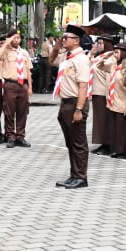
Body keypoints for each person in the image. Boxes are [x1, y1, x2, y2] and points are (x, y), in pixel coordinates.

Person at [54, 24, 93, 189]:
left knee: (78, 142)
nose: (63, 40)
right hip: (65, 102)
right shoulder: (67, 56)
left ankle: (81, 177)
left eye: (66, 38)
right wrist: (56, 47)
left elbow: (83, 86)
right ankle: (74, 174)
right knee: (70, 142)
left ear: (76, 40)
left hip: (75, 102)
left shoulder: (81, 59)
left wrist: (79, 109)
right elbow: (51, 61)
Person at [0, 31, 33, 147]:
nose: (17, 40)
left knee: (23, 112)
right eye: (14, 38)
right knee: (9, 112)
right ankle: (10, 136)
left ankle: (20, 136)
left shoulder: (24, 52)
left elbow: (28, 70)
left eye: (18, 37)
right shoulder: (5, 52)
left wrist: (30, 87)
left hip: (23, 85)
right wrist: (6, 43)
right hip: (10, 84)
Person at [106, 42, 126, 159]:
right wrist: (106, 56)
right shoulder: (114, 66)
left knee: (123, 129)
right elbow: (99, 66)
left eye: (117, 52)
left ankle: (124, 151)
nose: (115, 54)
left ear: (123, 53)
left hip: (123, 104)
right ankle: (117, 150)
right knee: (115, 129)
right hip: (113, 102)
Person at [90, 37, 117, 155]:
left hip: (104, 94)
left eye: (101, 43)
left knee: (105, 120)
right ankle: (102, 143)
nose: (99, 45)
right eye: (98, 43)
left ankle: (108, 144)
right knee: (99, 121)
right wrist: (92, 53)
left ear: (107, 44)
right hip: (96, 93)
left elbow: (109, 79)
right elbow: (89, 63)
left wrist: (109, 96)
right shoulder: (100, 57)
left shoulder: (111, 59)